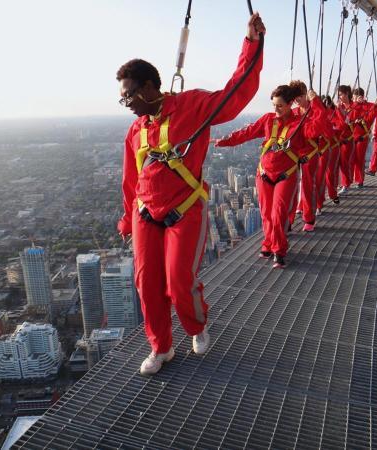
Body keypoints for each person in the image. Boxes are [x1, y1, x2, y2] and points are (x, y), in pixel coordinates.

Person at [116, 14, 265, 376]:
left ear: (152, 87)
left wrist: (252, 44)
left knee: (179, 282)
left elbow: (237, 92)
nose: (129, 104)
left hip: (184, 210)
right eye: (123, 99)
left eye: (131, 95)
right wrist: (126, 218)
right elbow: (131, 179)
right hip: (145, 213)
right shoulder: (137, 131)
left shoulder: (191, 107)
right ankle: (161, 348)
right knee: (147, 284)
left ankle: (196, 327)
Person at [214, 84, 329, 268]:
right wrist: (225, 141)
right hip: (264, 173)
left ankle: (279, 250)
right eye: (273, 105)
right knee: (266, 214)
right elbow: (247, 132)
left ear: (291, 104)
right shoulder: (268, 120)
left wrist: (315, 102)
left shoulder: (300, 124)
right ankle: (268, 244)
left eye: (280, 106)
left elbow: (319, 126)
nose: (275, 110)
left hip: (286, 174)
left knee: (278, 214)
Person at [290, 80, 334, 229]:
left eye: (300, 96)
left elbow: (327, 130)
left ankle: (309, 219)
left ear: (306, 95)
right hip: (294, 154)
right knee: (291, 186)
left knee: (309, 184)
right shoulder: (294, 113)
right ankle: (289, 219)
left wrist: (315, 101)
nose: (297, 100)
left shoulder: (316, 110)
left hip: (311, 152)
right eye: (295, 97)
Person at [348, 87, 377, 190]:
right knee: (349, 160)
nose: (353, 99)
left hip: (361, 137)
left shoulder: (370, 106)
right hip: (350, 137)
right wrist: (357, 104)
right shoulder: (353, 106)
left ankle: (359, 181)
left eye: (354, 97)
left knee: (359, 160)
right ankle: (347, 181)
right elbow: (349, 115)